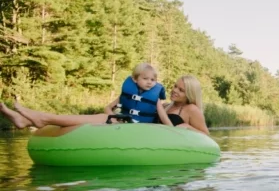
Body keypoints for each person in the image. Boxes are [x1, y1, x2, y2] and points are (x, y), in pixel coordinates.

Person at [1, 68, 210, 135]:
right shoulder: (168, 105)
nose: (174, 91)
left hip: (141, 134)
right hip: (136, 129)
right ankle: (27, 121)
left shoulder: (192, 109)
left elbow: (205, 136)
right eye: (174, 86)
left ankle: (40, 118)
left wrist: (184, 127)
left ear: (190, 93)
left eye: (181, 90)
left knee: (103, 118)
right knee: (100, 117)